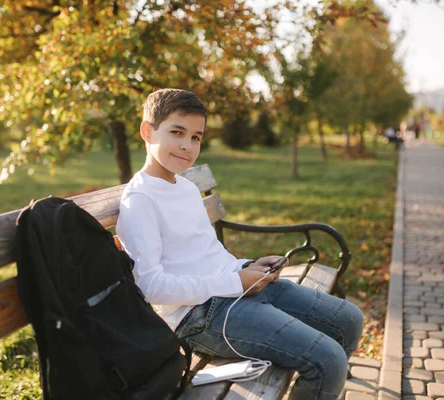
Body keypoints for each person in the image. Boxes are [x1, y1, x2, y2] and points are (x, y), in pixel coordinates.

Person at [116, 88, 363, 400]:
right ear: (147, 131)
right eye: (176, 132)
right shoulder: (141, 200)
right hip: (199, 317)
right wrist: (234, 281)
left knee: (349, 319)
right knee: (328, 361)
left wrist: (247, 267)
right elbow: (151, 287)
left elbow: (206, 253)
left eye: (196, 137)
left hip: (237, 288)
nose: (187, 145)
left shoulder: (186, 187)